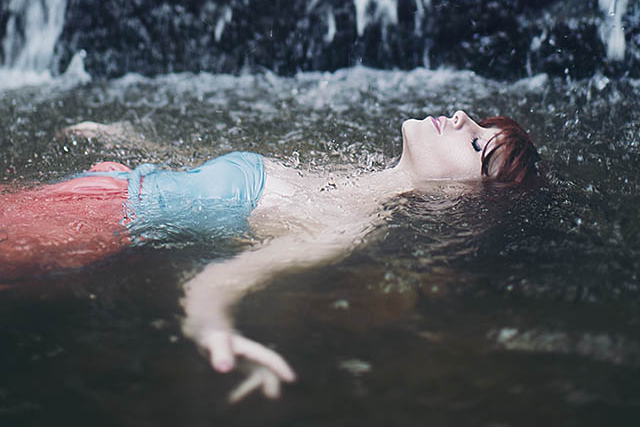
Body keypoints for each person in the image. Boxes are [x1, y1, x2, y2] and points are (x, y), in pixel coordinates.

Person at [0, 110, 539, 402]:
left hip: (88, 223)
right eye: (477, 122)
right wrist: (132, 142)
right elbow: (209, 174)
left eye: (477, 145)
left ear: (463, 193)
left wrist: (214, 330)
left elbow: (224, 280)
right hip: (103, 188)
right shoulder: (342, 171)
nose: (462, 117)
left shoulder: (341, 226)